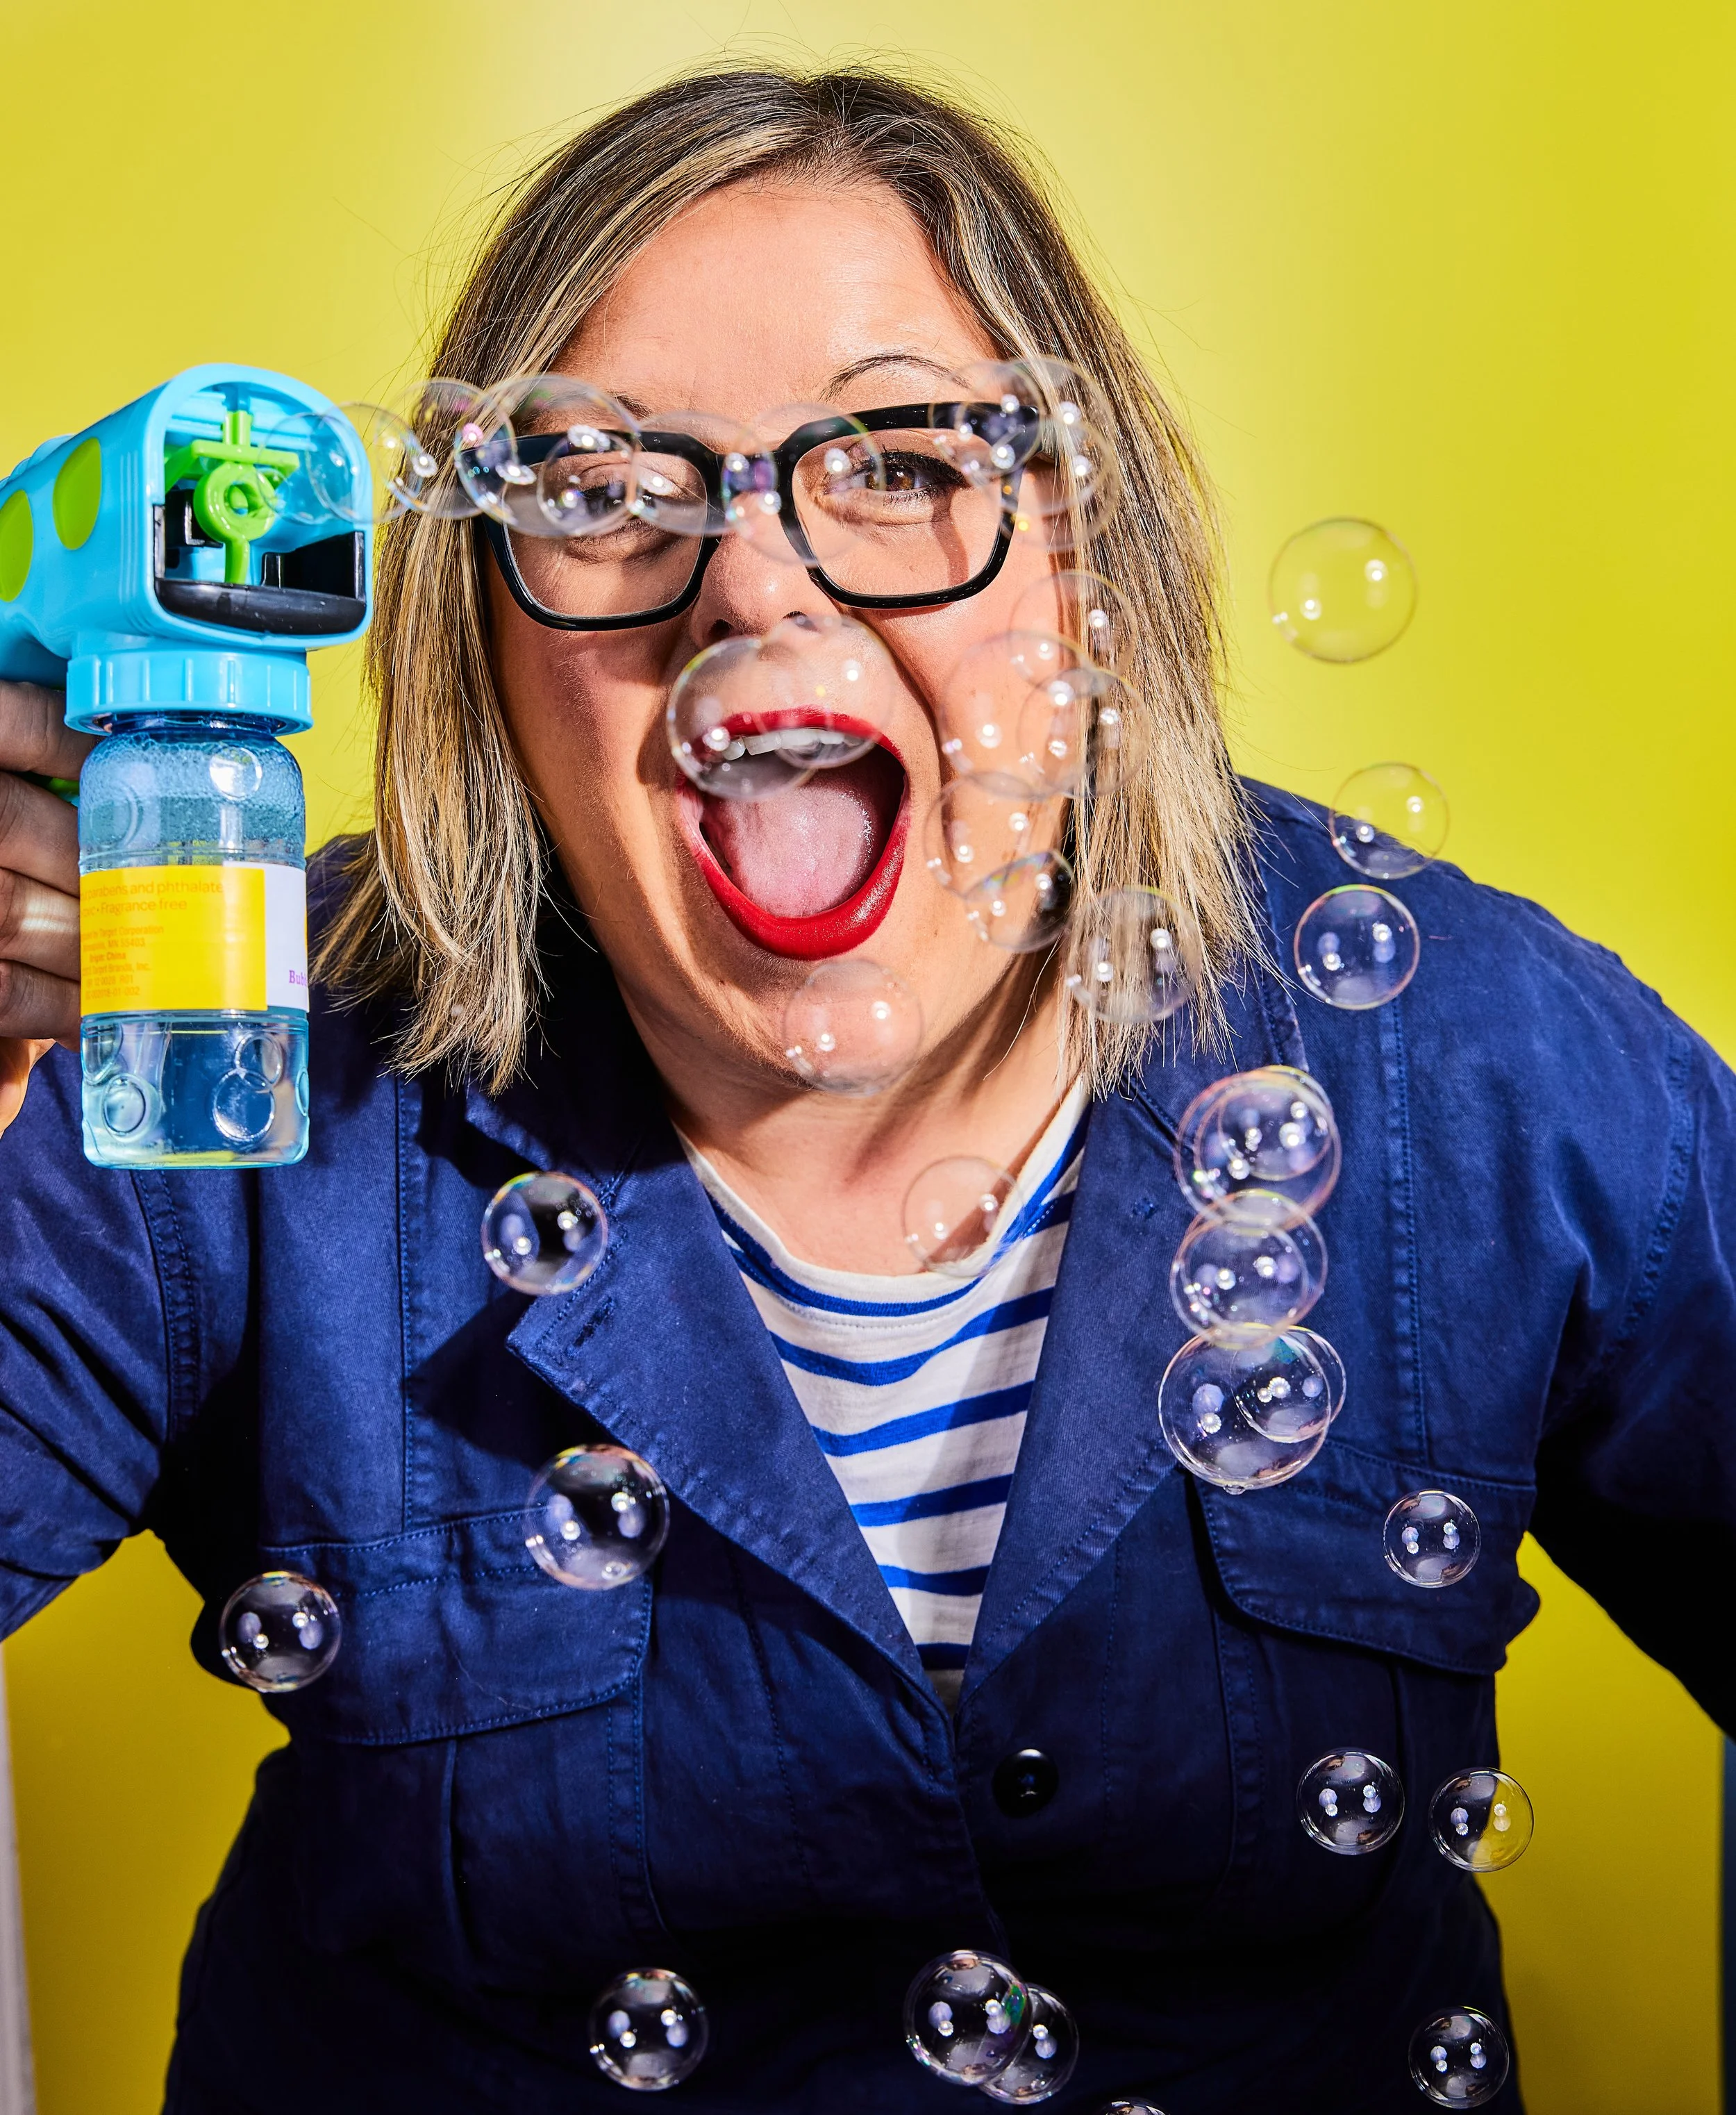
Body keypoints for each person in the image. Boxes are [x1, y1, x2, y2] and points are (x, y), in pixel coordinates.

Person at [1, 63, 1733, 2115]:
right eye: (603, 487)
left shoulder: (1474, 1065)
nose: (753, 587)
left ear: (1097, 570)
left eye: (902, 461)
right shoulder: (224, 1048)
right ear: (483, 632)